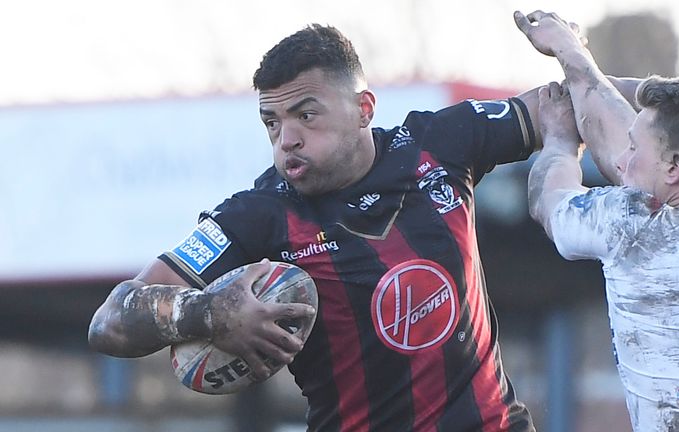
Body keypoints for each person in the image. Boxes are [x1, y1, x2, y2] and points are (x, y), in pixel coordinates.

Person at [88, 24, 549, 431]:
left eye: (305, 115)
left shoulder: (437, 144)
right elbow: (109, 322)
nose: (286, 138)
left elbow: (557, 108)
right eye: (272, 122)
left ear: (364, 108)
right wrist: (209, 312)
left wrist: (573, 57)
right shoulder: (257, 215)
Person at [515, 10, 679, 431]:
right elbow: (620, 134)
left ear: (675, 167)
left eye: (636, 150)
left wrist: (559, 139)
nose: (621, 161)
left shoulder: (635, 226)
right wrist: (580, 66)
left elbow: (549, 200)